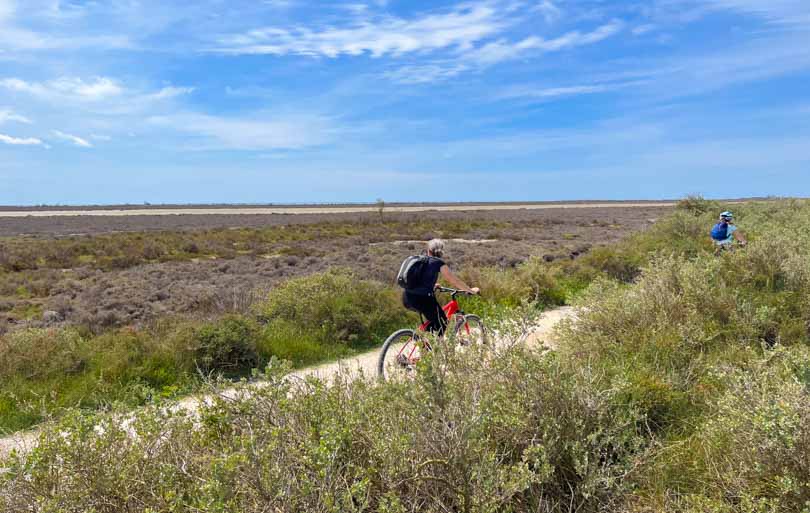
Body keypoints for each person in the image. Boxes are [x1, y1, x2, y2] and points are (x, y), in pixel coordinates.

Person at [402, 239, 479, 336]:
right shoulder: (438, 263)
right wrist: (470, 290)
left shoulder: (421, 260)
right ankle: (436, 348)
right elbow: (454, 281)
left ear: (428, 250)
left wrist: (432, 285)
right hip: (422, 299)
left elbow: (419, 279)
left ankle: (426, 343)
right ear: (441, 251)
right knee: (442, 323)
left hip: (407, 297)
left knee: (435, 321)